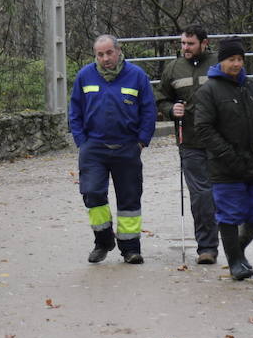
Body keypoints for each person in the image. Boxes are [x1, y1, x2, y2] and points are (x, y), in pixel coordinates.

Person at [192, 38, 253, 281]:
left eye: (240, 59)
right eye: (231, 59)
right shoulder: (209, 91)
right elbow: (204, 129)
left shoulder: (251, 86)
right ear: (222, 61)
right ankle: (235, 262)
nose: (237, 64)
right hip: (225, 166)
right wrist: (228, 155)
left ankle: (237, 248)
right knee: (229, 214)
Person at [69, 34, 156, 265]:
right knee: (93, 193)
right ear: (95, 55)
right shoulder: (84, 76)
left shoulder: (137, 76)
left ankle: (130, 249)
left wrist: (141, 141)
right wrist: (81, 141)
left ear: (118, 51)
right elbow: (75, 111)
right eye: (100, 54)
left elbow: (149, 111)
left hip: (127, 146)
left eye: (109, 53)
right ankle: (103, 240)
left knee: (129, 199)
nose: (105, 58)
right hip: (93, 148)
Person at [156, 25, 219, 263]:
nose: (185, 48)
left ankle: (233, 241)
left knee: (221, 193)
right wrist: (171, 110)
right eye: (182, 43)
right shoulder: (173, 68)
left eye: (190, 44)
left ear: (204, 42)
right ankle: (207, 247)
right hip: (189, 141)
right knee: (200, 195)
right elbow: (161, 98)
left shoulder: (219, 63)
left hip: (220, 141)